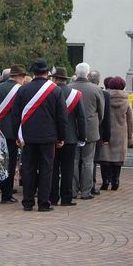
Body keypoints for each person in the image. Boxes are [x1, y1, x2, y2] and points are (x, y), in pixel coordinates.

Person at [14, 58, 66, 212]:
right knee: (46, 169)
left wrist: (18, 135)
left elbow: (16, 115)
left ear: (33, 72)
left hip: (28, 136)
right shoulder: (56, 90)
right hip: (48, 137)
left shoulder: (23, 89)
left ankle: (28, 202)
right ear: (48, 72)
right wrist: (61, 137)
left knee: (28, 168)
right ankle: (44, 203)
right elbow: (62, 118)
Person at [0, 65, 27, 204]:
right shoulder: (21, 90)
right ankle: (6, 195)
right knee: (10, 164)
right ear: (20, 76)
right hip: (11, 133)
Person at [50, 67, 86, 206]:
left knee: (52, 168)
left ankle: (52, 197)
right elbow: (81, 118)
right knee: (68, 169)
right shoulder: (75, 94)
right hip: (70, 137)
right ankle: (66, 198)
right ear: (66, 79)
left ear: (54, 78)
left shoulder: (49, 92)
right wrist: (82, 136)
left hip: (52, 136)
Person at [69, 62, 104, 200]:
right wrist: (95, 123)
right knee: (88, 162)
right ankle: (86, 192)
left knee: (74, 160)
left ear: (76, 73)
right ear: (88, 74)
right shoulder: (96, 90)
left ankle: (72, 191)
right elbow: (101, 112)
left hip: (72, 129)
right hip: (90, 129)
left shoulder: (68, 88)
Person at [100, 76, 133, 191]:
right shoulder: (126, 99)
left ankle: (105, 180)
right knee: (118, 159)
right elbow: (130, 120)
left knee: (105, 157)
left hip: (106, 131)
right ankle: (116, 180)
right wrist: (130, 136)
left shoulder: (104, 97)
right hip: (121, 133)